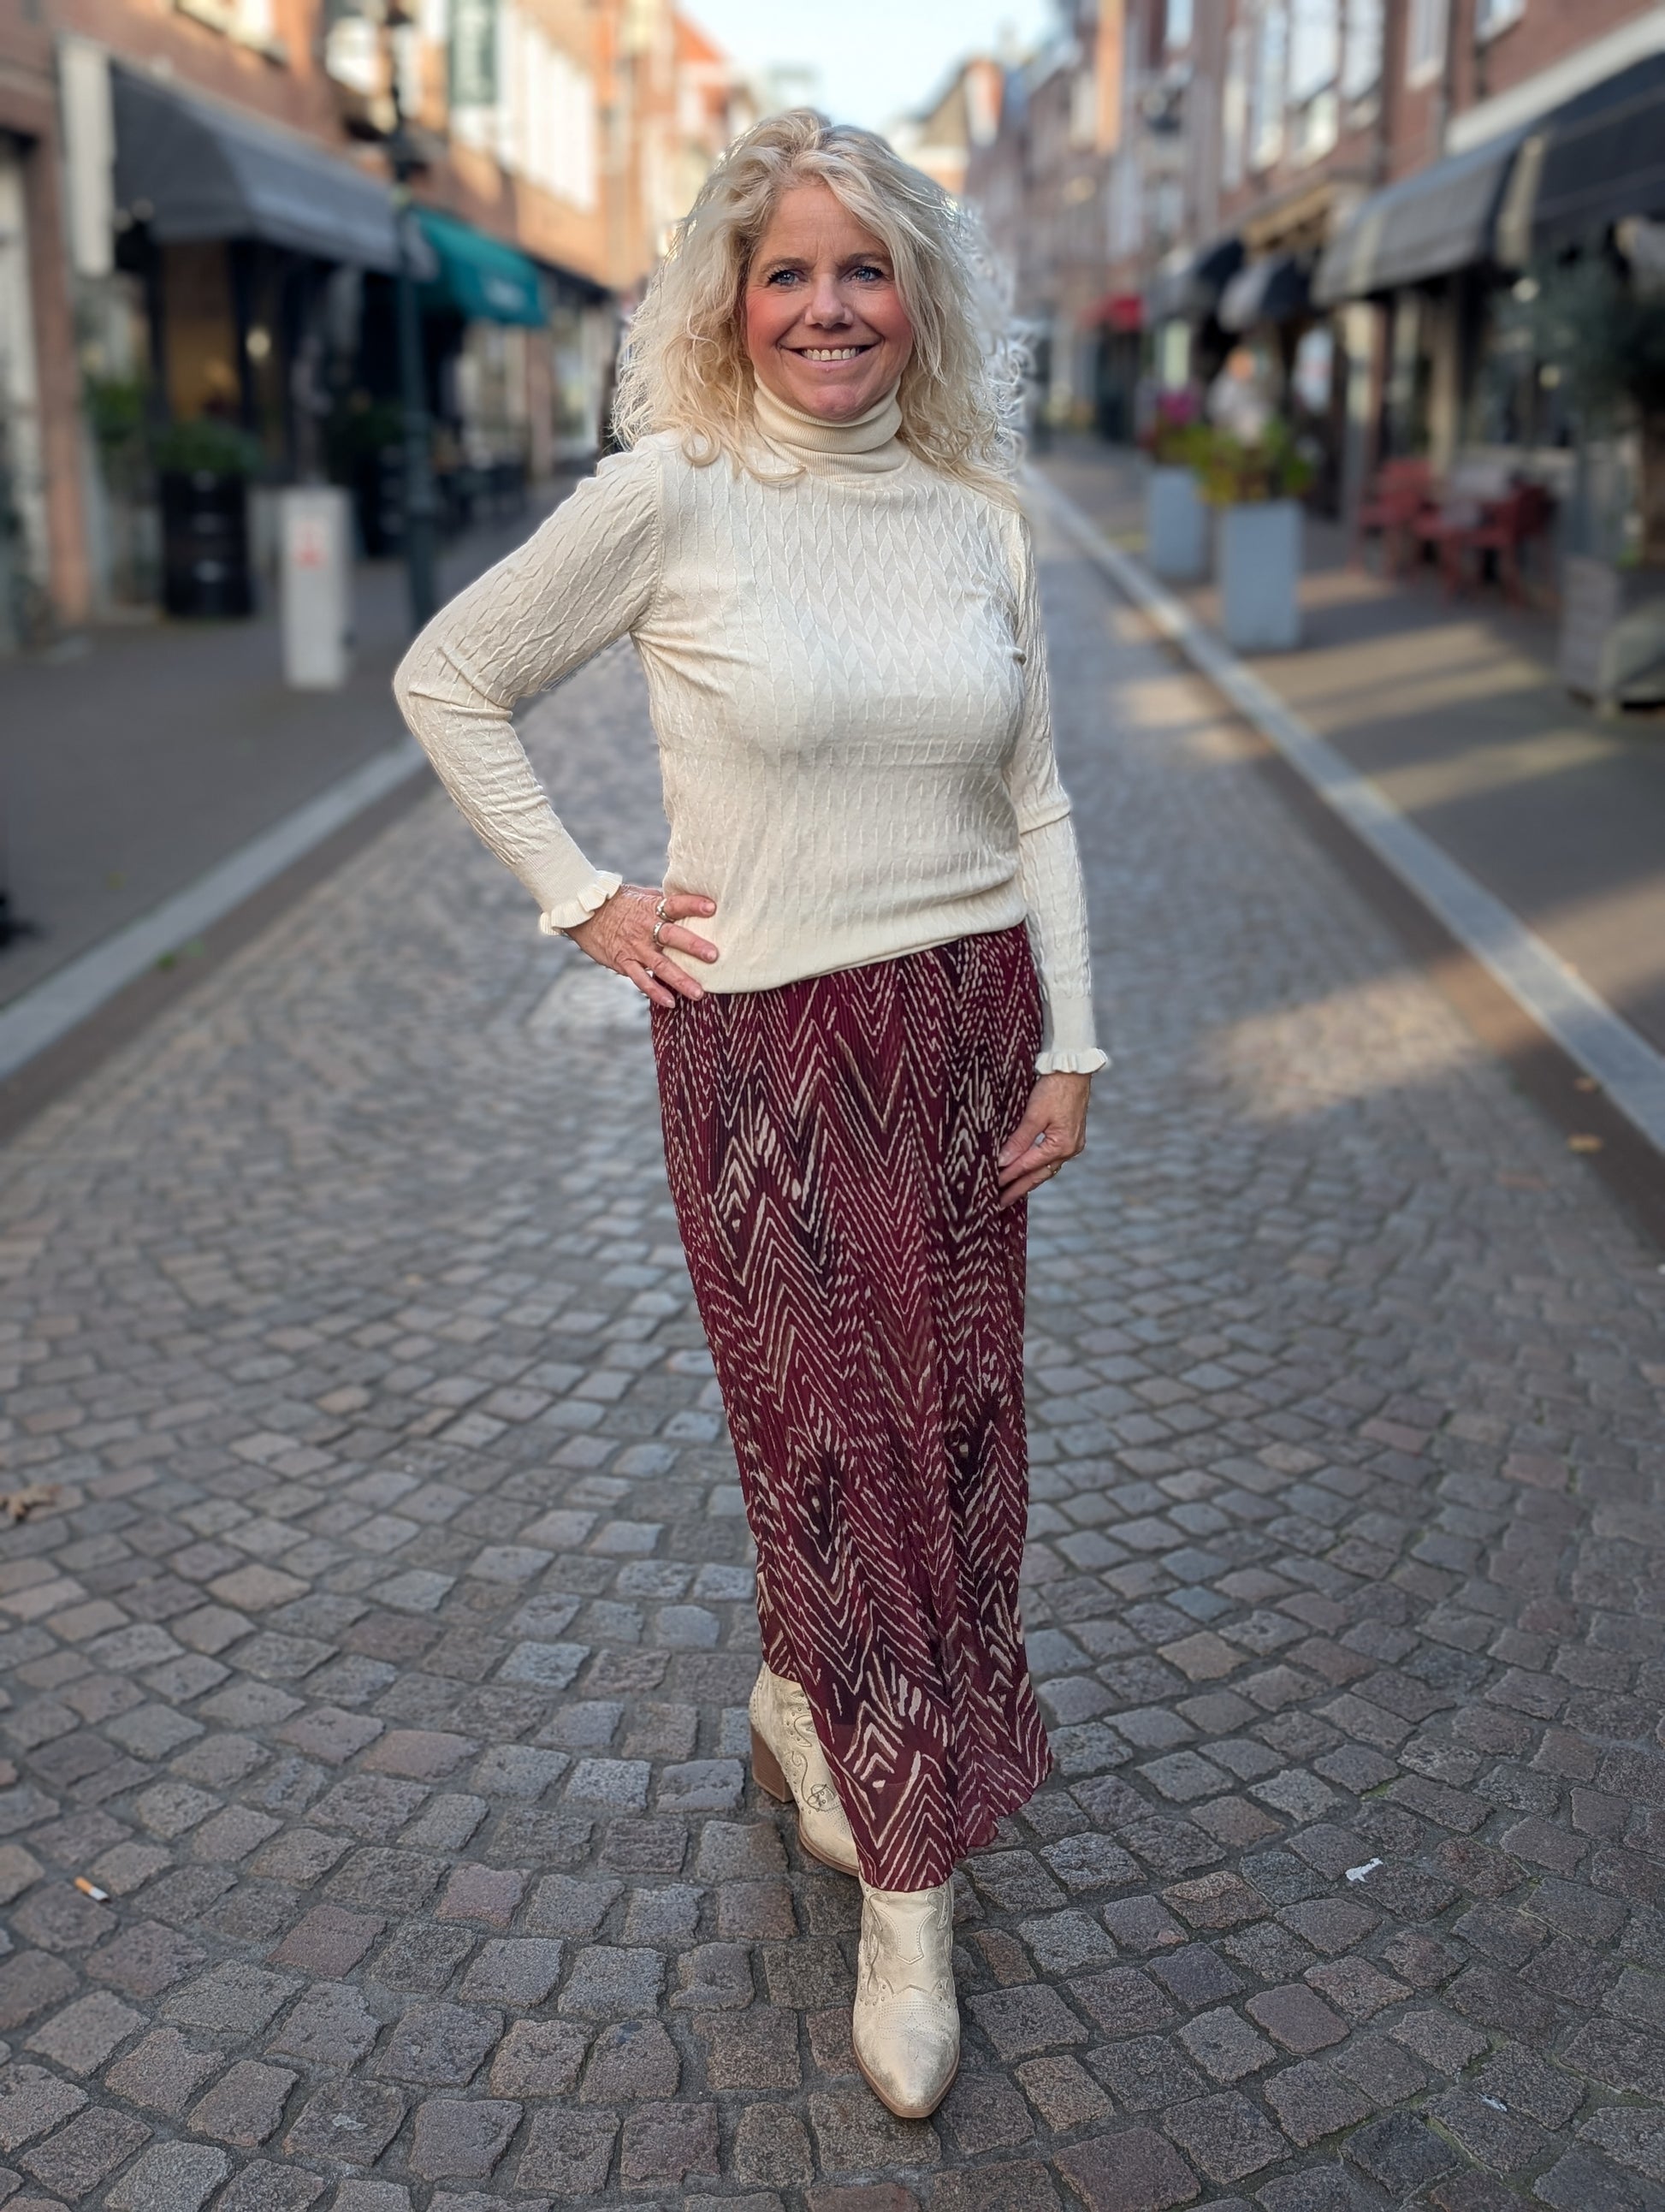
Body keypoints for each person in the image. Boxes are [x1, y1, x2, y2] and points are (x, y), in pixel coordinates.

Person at [393, 109, 1107, 2121]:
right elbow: (451, 677)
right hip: (768, 1052)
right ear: (727, 300)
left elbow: (1037, 796)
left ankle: (809, 1704)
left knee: (949, 1443)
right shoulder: (672, 495)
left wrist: (1074, 1048)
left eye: (862, 269)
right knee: (836, 1441)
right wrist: (584, 899)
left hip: (969, 1029)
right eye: (784, 271)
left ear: (918, 296)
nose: (825, 306)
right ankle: (908, 1893)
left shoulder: (973, 514)